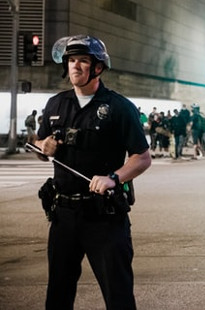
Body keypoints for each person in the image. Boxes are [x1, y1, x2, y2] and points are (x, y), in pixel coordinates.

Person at [33, 35, 151, 309]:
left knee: (118, 294)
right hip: (63, 215)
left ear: (97, 67)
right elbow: (38, 146)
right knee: (58, 294)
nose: (75, 66)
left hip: (104, 217)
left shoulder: (119, 107)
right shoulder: (55, 104)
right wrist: (43, 146)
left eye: (82, 61)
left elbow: (142, 158)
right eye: (71, 60)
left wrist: (113, 178)